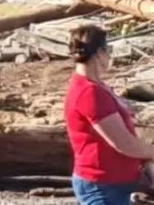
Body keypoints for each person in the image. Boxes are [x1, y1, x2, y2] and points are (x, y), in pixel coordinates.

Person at [65, 24, 154, 204]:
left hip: (113, 184)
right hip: (102, 186)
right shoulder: (89, 92)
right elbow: (124, 143)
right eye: (108, 51)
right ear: (99, 54)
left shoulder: (95, 86)